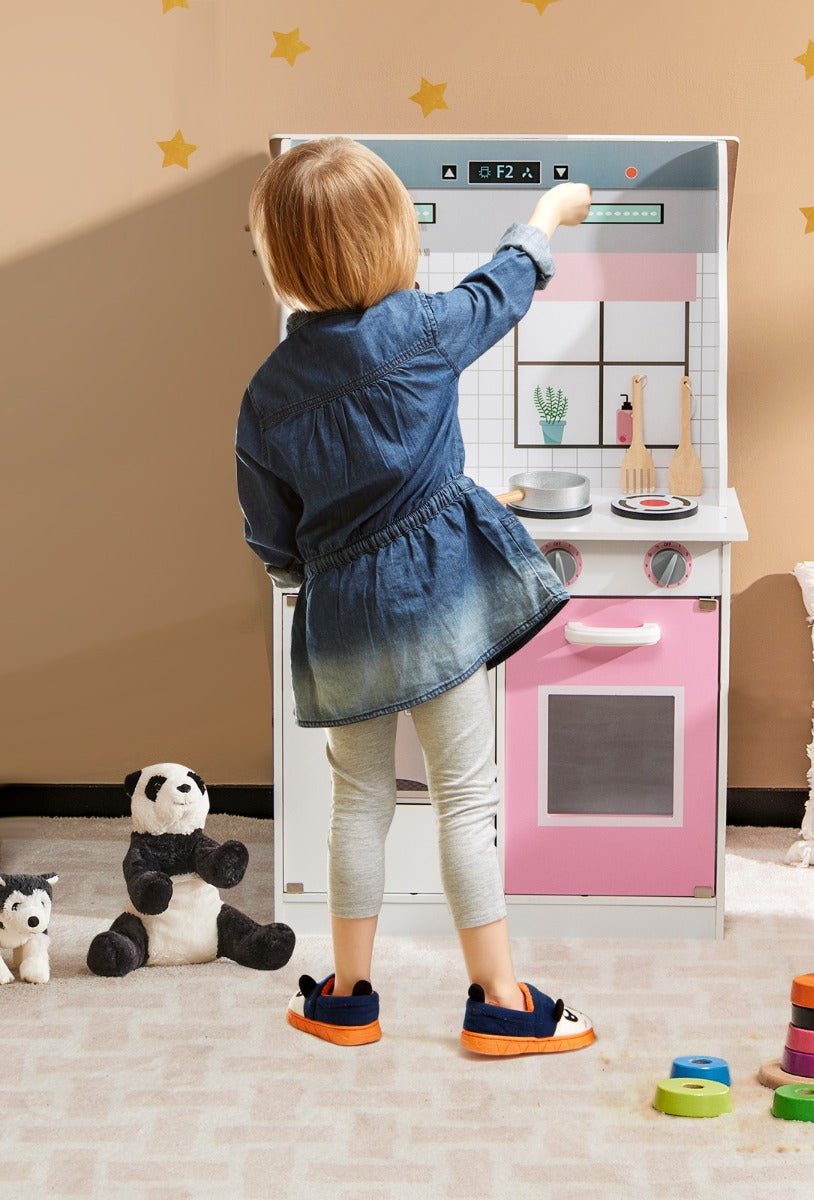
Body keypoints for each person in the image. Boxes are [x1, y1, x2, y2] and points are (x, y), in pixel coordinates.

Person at [237, 136, 595, 1054]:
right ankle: (502, 1002)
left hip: (344, 619)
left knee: (359, 800)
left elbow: (270, 532)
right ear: (391, 238)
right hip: (441, 603)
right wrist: (550, 214)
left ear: (281, 260)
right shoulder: (427, 328)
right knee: (464, 798)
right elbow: (508, 282)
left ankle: (347, 997)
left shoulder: (266, 395)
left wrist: (296, 587)